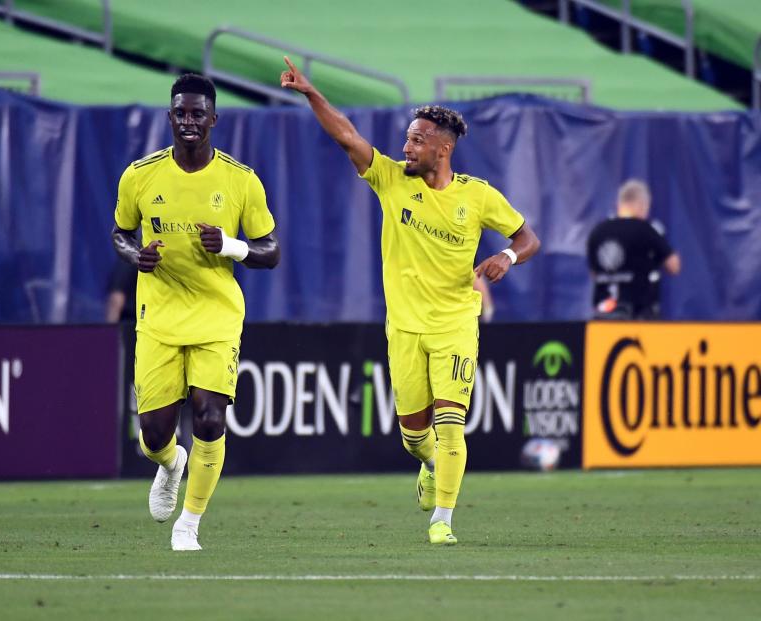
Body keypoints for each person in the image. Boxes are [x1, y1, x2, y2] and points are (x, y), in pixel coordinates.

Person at [281, 56, 539, 545]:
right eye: (406, 138)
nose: (406, 147)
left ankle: (442, 520)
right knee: (414, 434)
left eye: (417, 140)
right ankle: (427, 465)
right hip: (403, 327)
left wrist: (507, 255)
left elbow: (529, 237)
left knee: (451, 423)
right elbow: (348, 137)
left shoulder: (478, 196)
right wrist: (311, 93)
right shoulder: (392, 179)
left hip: (456, 324)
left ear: (443, 149)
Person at [111, 73, 280, 551]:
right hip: (159, 318)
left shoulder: (240, 180)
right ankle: (170, 465)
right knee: (153, 434)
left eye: (197, 114)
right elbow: (120, 232)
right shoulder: (140, 175)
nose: (189, 121)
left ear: (213, 119)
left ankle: (190, 523)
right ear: (170, 118)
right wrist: (134, 255)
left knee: (209, 418)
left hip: (216, 315)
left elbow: (271, 250)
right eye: (181, 113)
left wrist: (231, 246)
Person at [587, 179, 680, 319]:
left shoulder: (597, 232)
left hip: (602, 315)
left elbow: (594, 273)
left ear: (619, 203)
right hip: (637, 316)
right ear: (642, 204)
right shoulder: (646, 230)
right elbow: (674, 266)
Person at [105, 255, 138, 323]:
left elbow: (116, 298)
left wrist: (110, 331)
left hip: (132, 324)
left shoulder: (129, 259)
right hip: (133, 324)